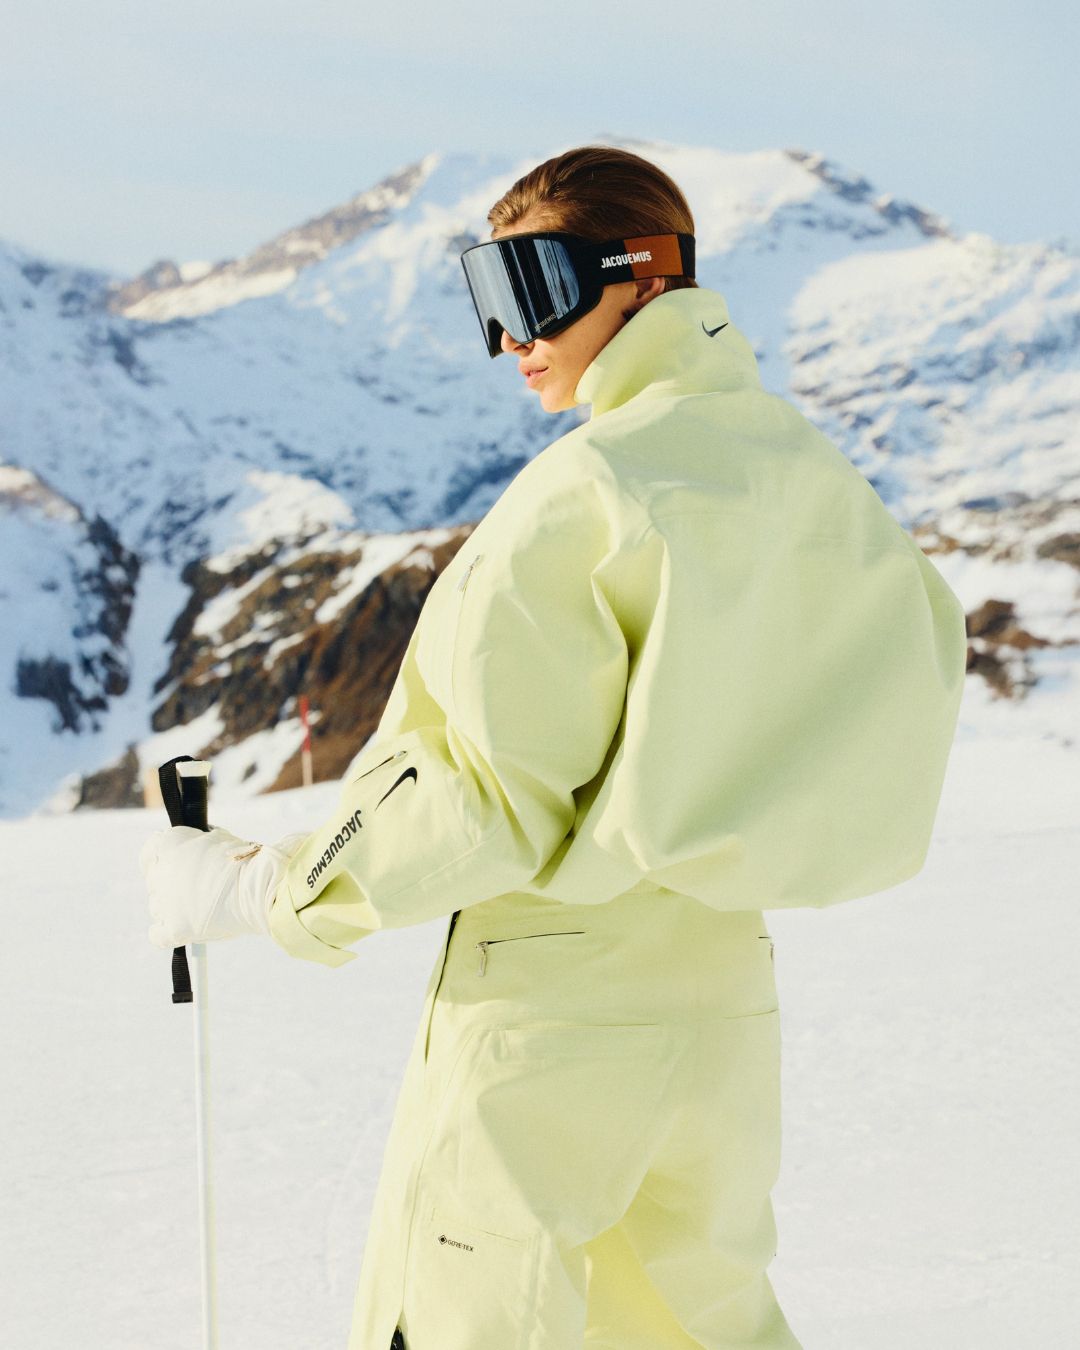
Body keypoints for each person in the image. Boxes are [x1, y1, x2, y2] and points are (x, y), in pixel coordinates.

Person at [142, 146, 969, 1350]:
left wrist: (271, 888)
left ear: (641, 277)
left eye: (531, 292)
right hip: (722, 1004)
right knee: (699, 1326)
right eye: (488, 299)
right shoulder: (812, 479)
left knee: (473, 1319)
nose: (508, 341)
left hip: (553, 1020)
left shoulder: (589, 487)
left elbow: (483, 793)